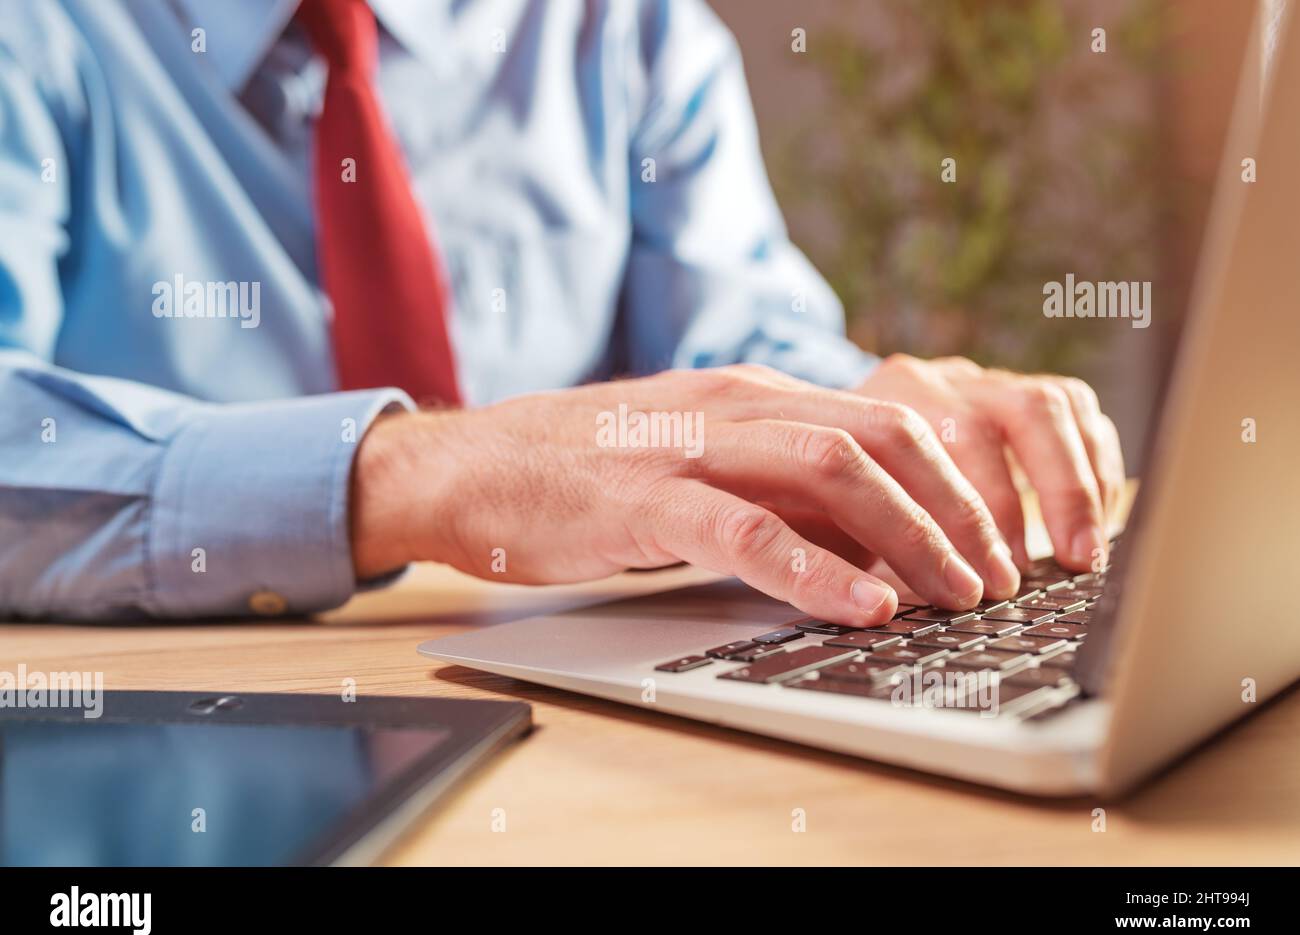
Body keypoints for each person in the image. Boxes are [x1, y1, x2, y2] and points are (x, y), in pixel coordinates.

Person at [0, 0, 1123, 623]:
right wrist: (429, 473)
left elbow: (737, 344)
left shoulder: (629, 30)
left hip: (565, 718)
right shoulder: (38, 34)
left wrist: (854, 414)